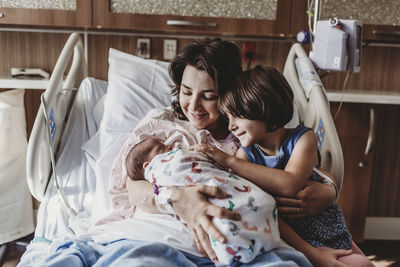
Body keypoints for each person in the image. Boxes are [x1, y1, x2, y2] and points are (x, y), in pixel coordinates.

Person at [191, 65, 373, 266]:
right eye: (228, 118)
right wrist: (313, 254)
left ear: (263, 108)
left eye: (237, 116)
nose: (231, 125)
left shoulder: (303, 139)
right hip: (289, 239)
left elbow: (289, 184)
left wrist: (228, 160)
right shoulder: (245, 156)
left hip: (326, 230)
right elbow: (267, 212)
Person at [125, 136, 281, 265]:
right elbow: (133, 185)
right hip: (160, 240)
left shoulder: (243, 138)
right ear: (148, 165)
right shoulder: (158, 127)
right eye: (162, 148)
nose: (171, 146)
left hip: (234, 211)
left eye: (209, 96)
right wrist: (174, 197)